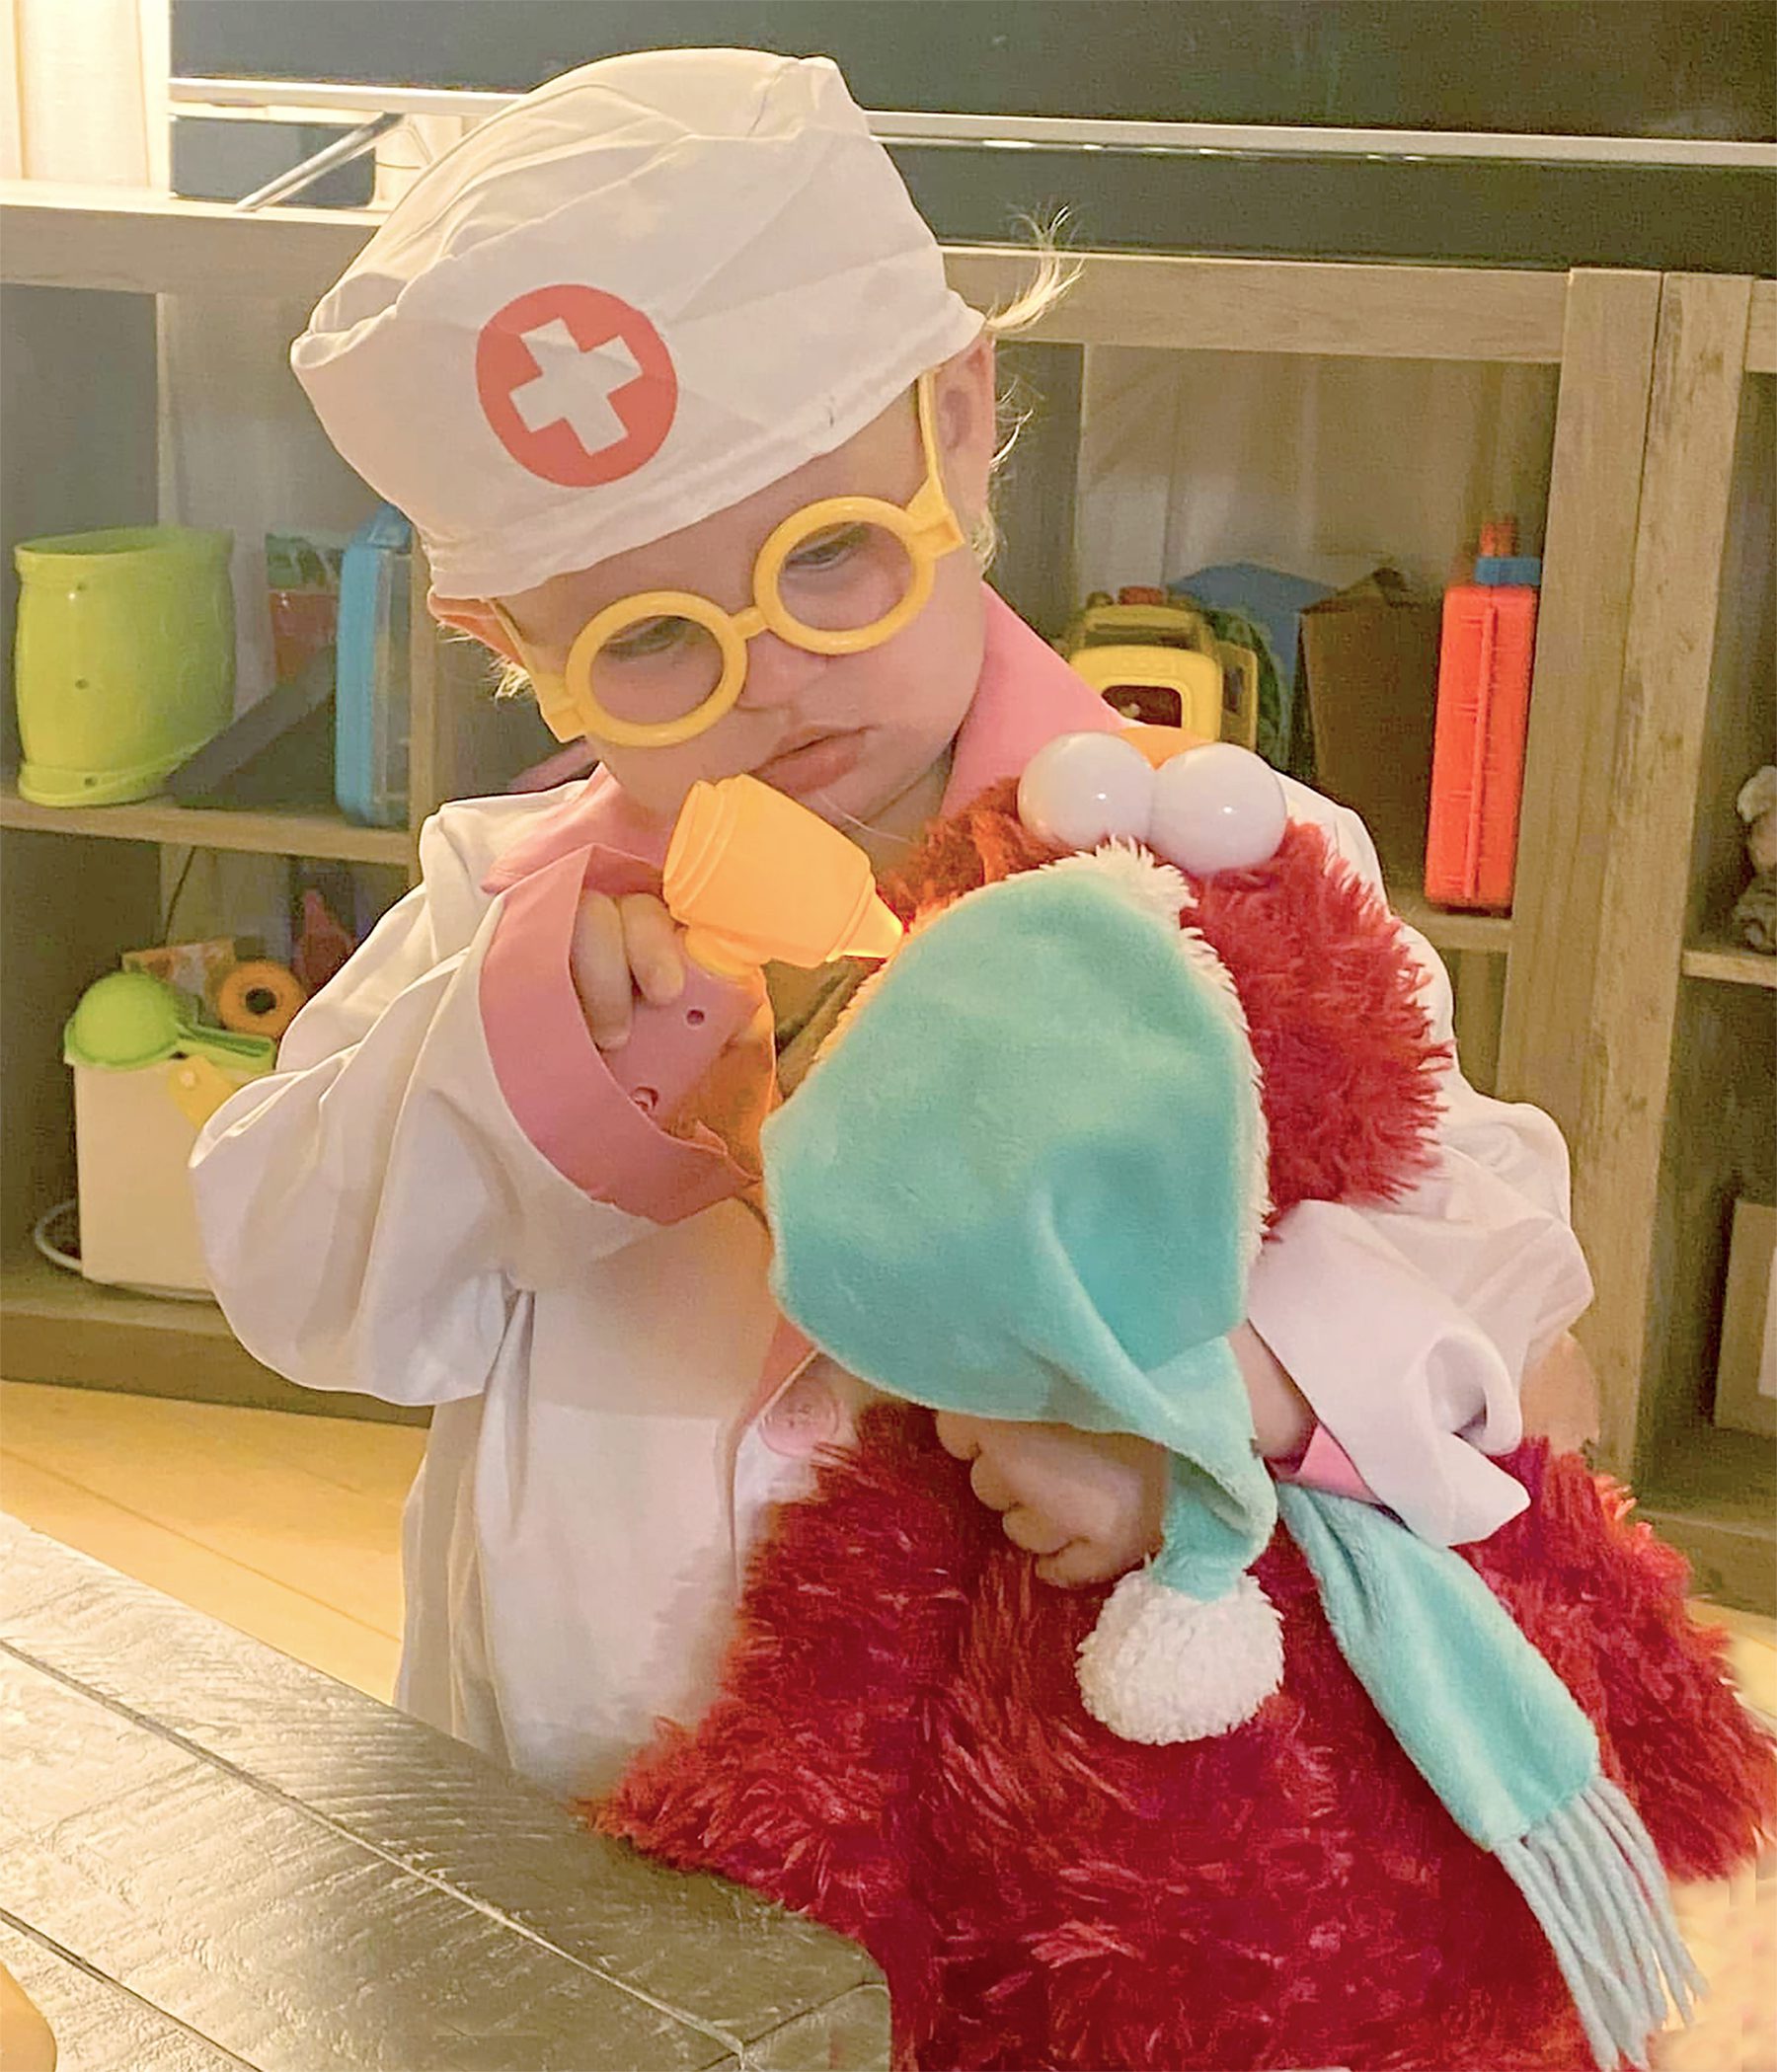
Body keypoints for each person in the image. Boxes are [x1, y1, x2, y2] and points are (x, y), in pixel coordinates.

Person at [193, 47, 1591, 1798]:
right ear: (503, 640)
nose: (770, 680)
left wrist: (1214, 1429)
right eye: (647, 643)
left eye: (830, 555)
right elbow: (300, 1289)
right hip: (580, 1816)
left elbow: (1489, 1247)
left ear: (951, 427)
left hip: (1048, 1840)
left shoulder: (1230, 857)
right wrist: (532, 1075)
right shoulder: (511, 919)